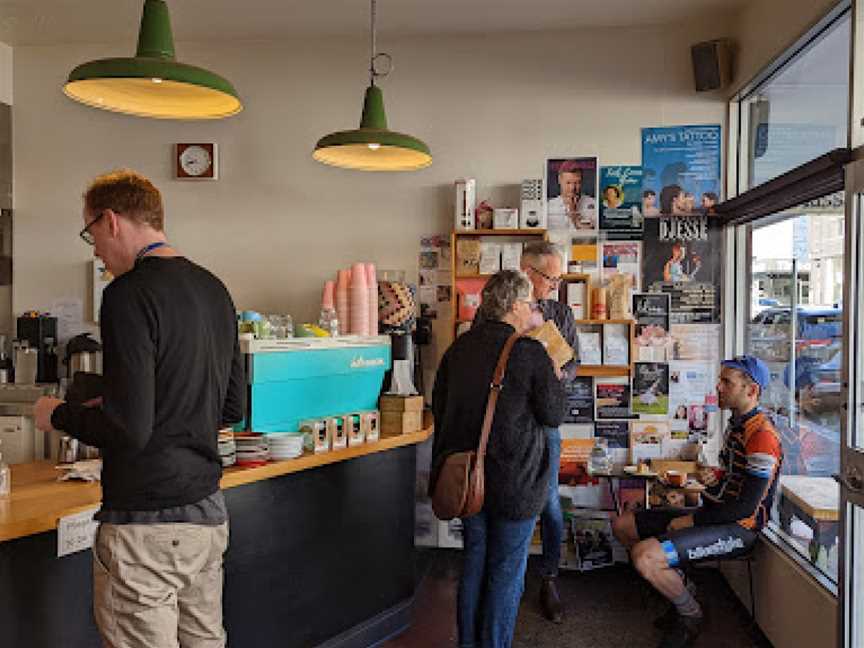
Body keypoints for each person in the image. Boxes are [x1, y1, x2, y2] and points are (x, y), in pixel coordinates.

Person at [33, 170, 245, 648]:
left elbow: (129, 430)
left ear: (111, 220)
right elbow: (231, 406)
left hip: (146, 523)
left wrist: (58, 415)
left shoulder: (127, 294)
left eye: (91, 233)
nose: (94, 250)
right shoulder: (215, 289)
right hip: (207, 516)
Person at [431, 270, 565, 648]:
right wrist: (554, 376)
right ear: (514, 305)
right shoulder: (529, 352)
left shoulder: (458, 349)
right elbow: (553, 414)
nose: (533, 312)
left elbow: (440, 406)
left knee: (474, 561)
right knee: (506, 571)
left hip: (467, 481)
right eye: (531, 304)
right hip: (515, 483)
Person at [612, 355, 782, 648]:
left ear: (751, 391)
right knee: (623, 525)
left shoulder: (762, 436)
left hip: (739, 528)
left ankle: (691, 614)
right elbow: (735, 479)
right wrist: (714, 476)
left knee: (644, 556)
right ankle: (685, 590)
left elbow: (746, 508)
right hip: (715, 512)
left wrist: (691, 519)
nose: (718, 387)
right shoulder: (737, 424)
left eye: (726, 382)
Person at [547, 160, 596, 231]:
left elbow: (593, 236)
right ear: (559, 180)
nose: (572, 188)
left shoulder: (594, 204)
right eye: (568, 183)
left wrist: (574, 213)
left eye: (577, 183)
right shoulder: (549, 206)